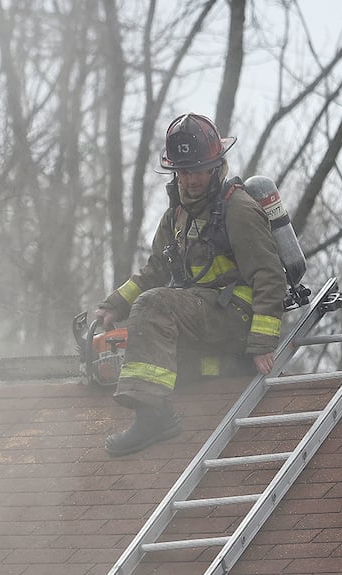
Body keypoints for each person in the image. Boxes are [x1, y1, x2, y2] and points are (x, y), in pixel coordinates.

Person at [93, 113, 286, 457]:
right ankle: (207, 376)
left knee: (154, 307)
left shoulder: (238, 210)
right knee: (156, 350)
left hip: (237, 316)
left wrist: (262, 342)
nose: (191, 180)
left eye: (198, 170)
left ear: (216, 166)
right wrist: (114, 305)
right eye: (183, 171)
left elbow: (269, 275)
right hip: (203, 314)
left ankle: (153, 418)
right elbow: (156, 269)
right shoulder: (177, 215)